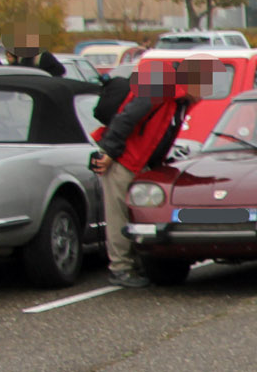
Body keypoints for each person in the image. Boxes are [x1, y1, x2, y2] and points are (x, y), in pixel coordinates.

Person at [91, 59, 213, 287]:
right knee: (119, 215)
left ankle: (133, 265)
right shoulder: (162, 87)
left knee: (134, 214)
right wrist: (109, 151)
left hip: (139, 163)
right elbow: (128, 117)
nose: (205, 93)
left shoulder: (178, 100)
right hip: (124, 160)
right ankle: (121, 269)